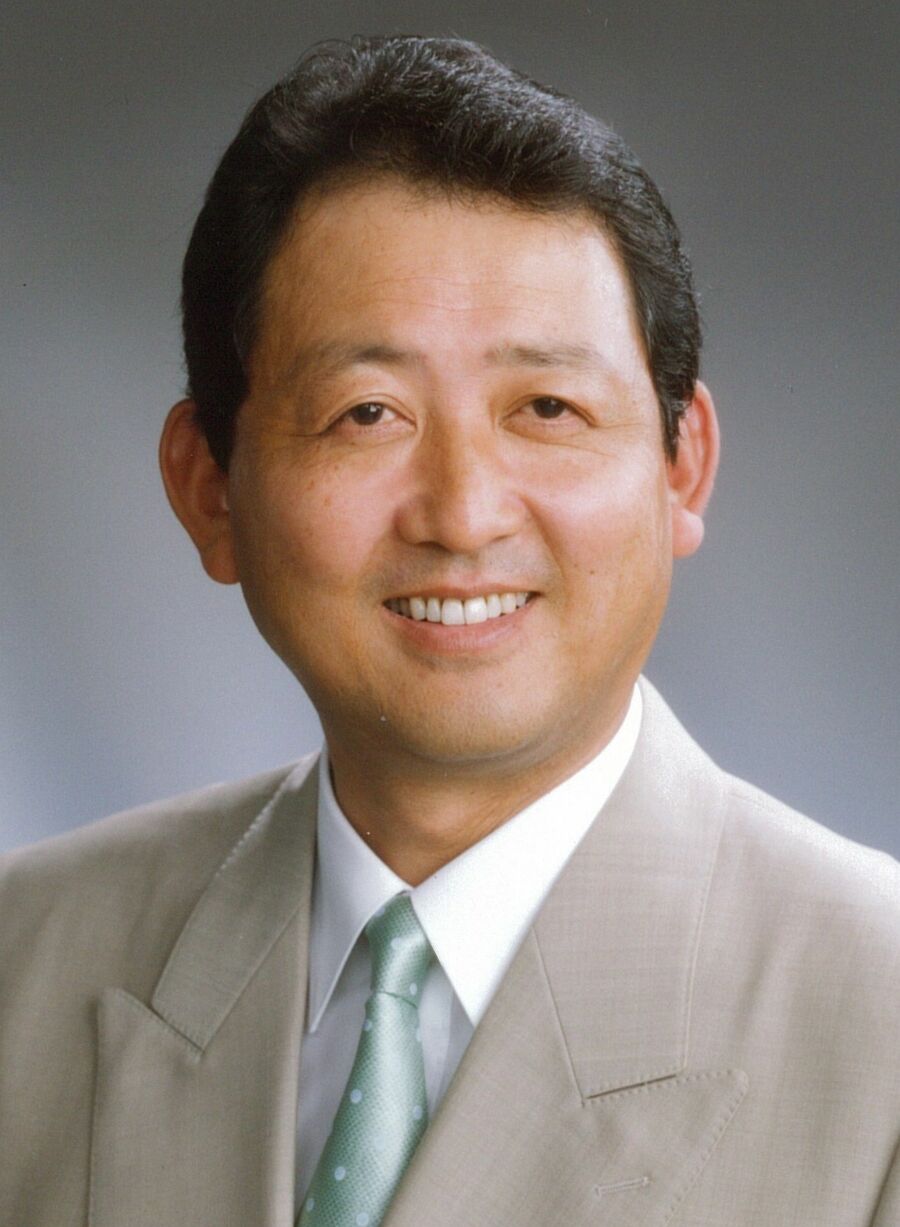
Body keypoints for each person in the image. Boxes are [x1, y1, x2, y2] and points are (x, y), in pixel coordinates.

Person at [1, 34, 897, 1227]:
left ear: (683, 466)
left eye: (548, 407)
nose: (464, 514)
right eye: (367, 413)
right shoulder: (25, 962)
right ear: (208, 487)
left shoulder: (878, 1026)